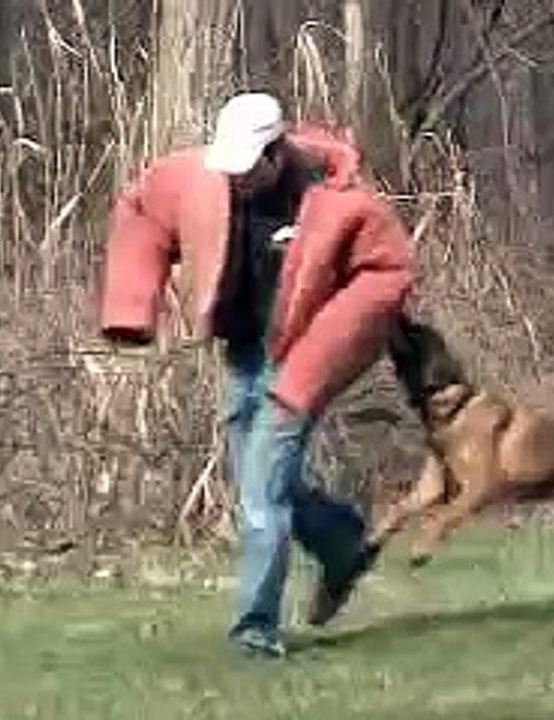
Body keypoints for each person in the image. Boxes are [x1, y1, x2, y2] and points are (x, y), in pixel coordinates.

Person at [98, 91, 415, 658]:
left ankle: (255, 631)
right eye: (231, 170)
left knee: (261, 499)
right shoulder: (198, 180)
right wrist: (131, 308)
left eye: (248, 170)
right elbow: (141, 212)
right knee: (263, 484)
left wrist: (320, 360)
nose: (238, 181)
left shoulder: (339, 203)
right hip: (242, 352)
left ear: (277, 153)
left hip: (300, 358)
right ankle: (342, 542)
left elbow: (387, 275)